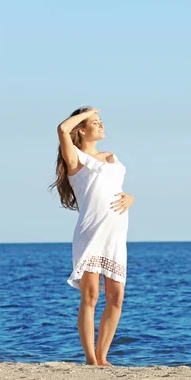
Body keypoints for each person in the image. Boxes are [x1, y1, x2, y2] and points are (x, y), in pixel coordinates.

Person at [49, 106, 134, 366]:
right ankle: (90, 358)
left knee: (116, 296)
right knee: (91, 296)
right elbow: (62, 129)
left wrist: (131, 198)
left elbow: (116, 188)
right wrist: (87, 111)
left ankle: (103, 356)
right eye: (95, 122)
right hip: (91, 232)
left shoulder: (112, 157)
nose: (101, 124)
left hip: (116, 234)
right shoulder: (75, 160)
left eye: (100, 121)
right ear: (82, 130)